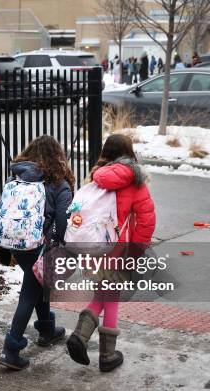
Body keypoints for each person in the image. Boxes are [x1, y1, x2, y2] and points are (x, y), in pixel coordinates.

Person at [66, 133, 156, 372]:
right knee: (111, 297)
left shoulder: (95, 178)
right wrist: (137, 252)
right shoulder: (136, 182)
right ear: (129, 154)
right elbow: (146, 222)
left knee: (103, 294)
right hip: (117, 251)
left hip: (93, 248)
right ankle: (105, 353)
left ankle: (81, 336)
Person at [0, 135, 74, 371]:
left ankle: (47, 330)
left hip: (16, 243)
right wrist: (60, 242)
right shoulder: (59, 183)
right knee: (30, 291)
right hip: (41, 244)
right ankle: (11, 348)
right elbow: (63, 218)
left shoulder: (19, 178)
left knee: (37, 281)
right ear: (57, 157)